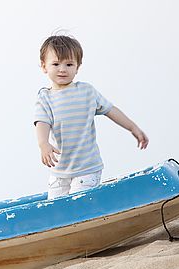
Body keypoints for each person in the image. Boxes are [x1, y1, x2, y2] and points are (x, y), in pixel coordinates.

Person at [33, 34, 148, 199]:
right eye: (56, 64)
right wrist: (43, 143)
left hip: (87, 168)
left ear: (77, 67)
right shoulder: (45, 97)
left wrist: (133, 127)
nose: (63, 69)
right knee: (56, 207)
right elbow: (42, 122)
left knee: (78, 203)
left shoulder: (86, 91)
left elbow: (110, 110)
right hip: (59, 170)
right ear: (44, 66)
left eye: (69, 64)